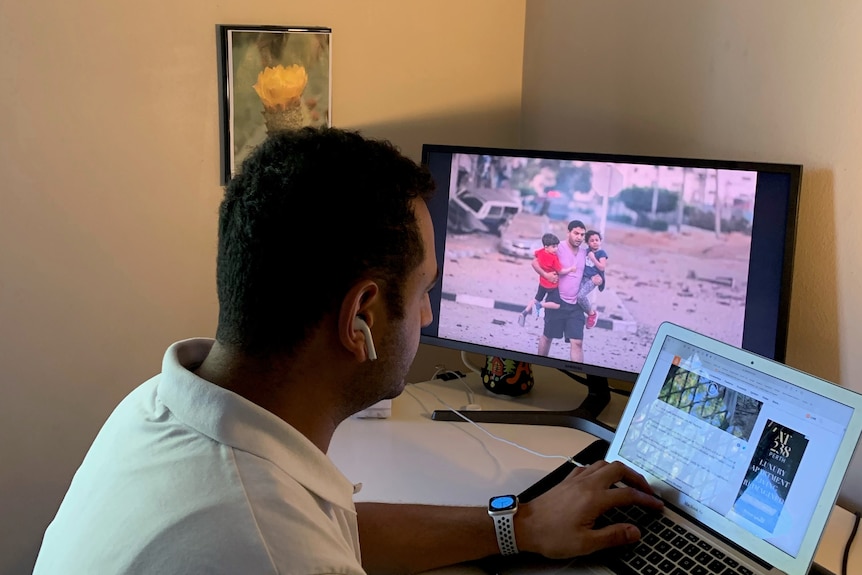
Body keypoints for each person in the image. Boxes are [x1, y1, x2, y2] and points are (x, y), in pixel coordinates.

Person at [33, 128, 661, 575]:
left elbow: (339, 526)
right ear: (360, 316)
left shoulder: (157, 408)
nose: (429, 314)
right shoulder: (270, 550)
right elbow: (293, 544)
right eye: (422, 291)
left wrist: (518, 526)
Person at [532, 220, 603, 363]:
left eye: (582, 235)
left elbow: (596, 272)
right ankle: (539, 365)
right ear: (568, 233)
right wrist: (545, 275)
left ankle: (578, 373)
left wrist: (598, 280)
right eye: (576, 233)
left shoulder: (585, 253)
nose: (579, 237)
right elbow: (534, 262)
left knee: (577, 343)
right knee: (547, 337)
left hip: (576, 305)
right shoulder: (557, 248)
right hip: (556, 299)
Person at [516, 233, 576, 327]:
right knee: (557, 305)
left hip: (542, 282)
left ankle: (524, 312)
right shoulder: (553, 258)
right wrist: (571, 269)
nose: (556, 249)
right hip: (552, 285)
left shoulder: (541, 251)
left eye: (557, 246)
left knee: (536, 299)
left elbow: (534, 254)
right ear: (546, 247)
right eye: (553, 247)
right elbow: (561, 271)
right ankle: (541, 306)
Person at [578, 230, 608, 329]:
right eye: (592, 240)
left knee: (580, 296)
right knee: (576, 296)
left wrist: (593, 258)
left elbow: (602, 267)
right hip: (584, 277)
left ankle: (592, 314)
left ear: (600, 241)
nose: (595, 242)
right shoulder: (585, 251)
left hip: (594, 279)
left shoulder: (601, 253)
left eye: (597, 240)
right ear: (587, 243)